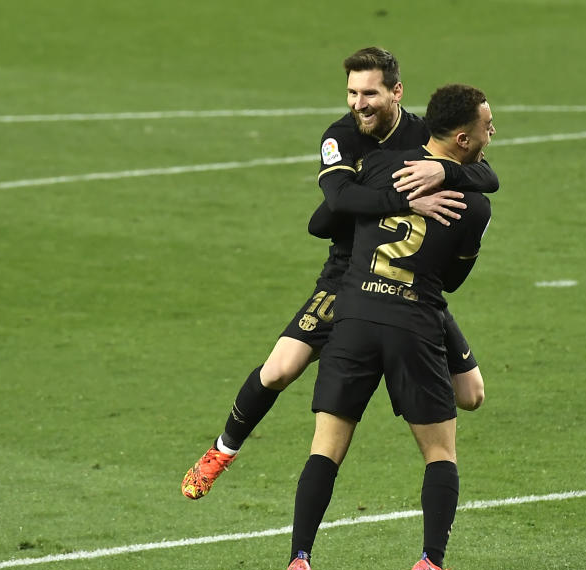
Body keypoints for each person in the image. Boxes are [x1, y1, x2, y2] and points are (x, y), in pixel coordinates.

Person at [181, 48, 499, 500]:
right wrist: (405, 199)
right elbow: (339, 202)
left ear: (396, 92)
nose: (358, 103)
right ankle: (221, 450)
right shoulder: (341, 138)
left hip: (409, 282)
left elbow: (487, 178)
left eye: (369, 93)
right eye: (352, 92)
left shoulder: (423, 135)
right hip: (347, 273)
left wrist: (443, 168)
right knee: (279, 370)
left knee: (471, 395)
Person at [269, 83, 494, 570]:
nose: (494, 133)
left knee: (325, 449)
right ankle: (431, 563)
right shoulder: (475, 204)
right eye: (489, 126)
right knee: (440, 454)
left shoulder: (382, 164)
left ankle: (298, 559)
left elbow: (326, 218)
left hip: (353, 317)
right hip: (415, 322)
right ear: (461, 140)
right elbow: (455, 280)